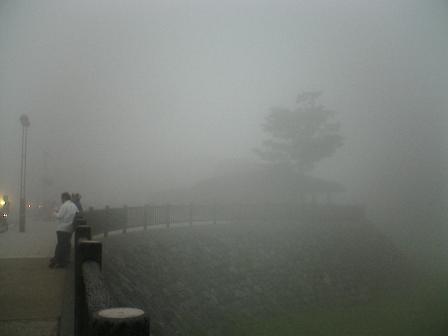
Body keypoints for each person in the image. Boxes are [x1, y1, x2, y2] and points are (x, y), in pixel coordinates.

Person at [49, 192, 79, 268]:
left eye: (61, 198)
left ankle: (57, 260)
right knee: (66, 245)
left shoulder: (64, 205)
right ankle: (64, 261)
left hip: (62, 228)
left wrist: (54, 212)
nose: (61, 200)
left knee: (60, 245)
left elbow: (59, 216)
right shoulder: (74, 206)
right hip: (70, 228)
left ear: (64, 198)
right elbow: (77, 214)